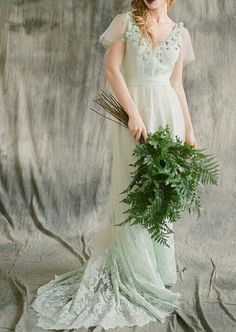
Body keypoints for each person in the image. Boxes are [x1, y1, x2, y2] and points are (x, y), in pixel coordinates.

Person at [30, 0, 197, 329]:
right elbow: (111, 70)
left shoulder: (181, 33)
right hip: (133, 117)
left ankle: (157, 269)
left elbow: (176, 84)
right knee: (131, 188)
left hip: (167, 116)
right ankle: (133, 268)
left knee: (159, 193)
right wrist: (133, 112)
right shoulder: (125, 22)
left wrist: (190, 130)